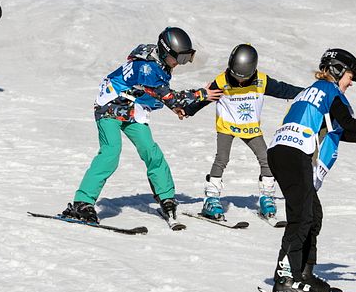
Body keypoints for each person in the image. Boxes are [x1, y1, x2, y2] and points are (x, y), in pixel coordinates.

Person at [266, 49, 356, 292]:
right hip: (293, 154)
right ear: (338, 70)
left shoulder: (313, 90)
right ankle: (285, 278)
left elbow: (339, 130)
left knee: (312, 215)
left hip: (285, 152)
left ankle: (304, 275)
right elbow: (347, 123)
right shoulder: (331, 92)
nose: (351, 82)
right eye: (351, 75)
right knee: (301, 217)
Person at [61, 27, 223, 225]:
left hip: (133, 108)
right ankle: (82, 202)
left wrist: (172, 106)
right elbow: (169, 97)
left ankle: (166, 197)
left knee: (151, 151)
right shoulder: (148, 68)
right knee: (111, 152)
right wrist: (200, 94)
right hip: (110, 106)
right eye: (179, 59)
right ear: (165, 52)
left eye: (184, 59)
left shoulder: (159, 62)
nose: (180, 64)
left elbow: (154, 91)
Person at [181, 44, 303, 220]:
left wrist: (308, 93)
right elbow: (205, 99)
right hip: (227, 126)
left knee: (267, 159)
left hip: (250, 128)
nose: (239, 81)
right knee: (222, 158)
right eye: (236, 77)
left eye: (244, 79)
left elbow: (284, 89)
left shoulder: (261, 80)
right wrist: (188, 110)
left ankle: (267, 197)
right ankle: (211, 199)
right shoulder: (222, 81)